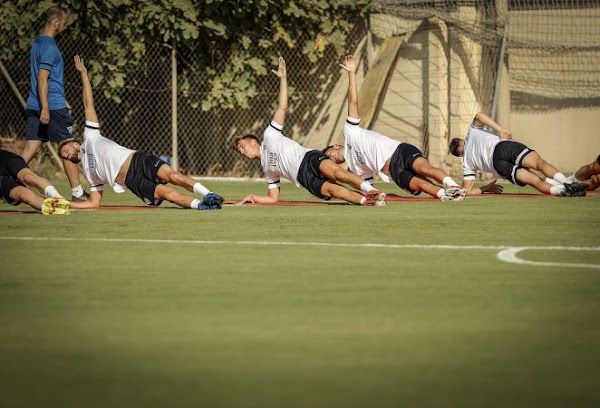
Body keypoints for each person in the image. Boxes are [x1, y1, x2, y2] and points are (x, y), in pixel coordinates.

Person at [59, 55, 224, 210]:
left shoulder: (90, 137)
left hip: (138, 160)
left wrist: (83, 74)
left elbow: (88, 104)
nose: (65, 155)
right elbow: (94, 203)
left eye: (65, 150)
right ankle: (202, 206)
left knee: (173, 176)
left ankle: (209, 194)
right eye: (63, 156)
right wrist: (65, 204)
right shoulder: (89, 174)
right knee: (167, 194)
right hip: (132, 181)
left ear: (75, 143)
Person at [232, 57, 386, 206]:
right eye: (239, 150)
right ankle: (369, 202)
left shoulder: (269, 134)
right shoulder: (267, 169)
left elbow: (282, 106)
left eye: (241, 145)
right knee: (334, 190)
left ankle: (372, 191)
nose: (241, 150)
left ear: (253, 141)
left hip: (308, 158)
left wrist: (283, 78)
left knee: (338, 174)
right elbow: (273, 199)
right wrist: (252, 196)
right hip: (304, 178)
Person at [323, 55, 468, 202]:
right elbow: (369, 187)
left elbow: (353, 102)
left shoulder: (350, 132)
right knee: (421, 185)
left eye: (329, 153)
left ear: (335, 145)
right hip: (392, 171)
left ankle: (452, 186)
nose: (331, 157)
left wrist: (351, 73)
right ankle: (446, 196)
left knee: (425, 169)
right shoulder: (354, 169)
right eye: (330, 160)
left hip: (399, 151)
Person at [21, 6, 88, 202]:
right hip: (49, 105)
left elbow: (46, 80)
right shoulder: (50, 47)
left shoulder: (37, 43)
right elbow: (42, 78)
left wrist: (58, 97)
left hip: (36, 102)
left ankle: (4, 180)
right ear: (55, 22)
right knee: (68, 145)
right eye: (65, 23)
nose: (65, 27)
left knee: (30, 149)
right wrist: (47, 107)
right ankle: (77, 194)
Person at [448, 112, 588, 196]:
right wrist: (501, 130)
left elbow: (467, 192)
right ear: (462, 140)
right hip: (502, 147)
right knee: (539, 163)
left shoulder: (466, 162)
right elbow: (479, 115)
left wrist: (486, 188)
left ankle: (561, 192)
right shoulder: (471, 132)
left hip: (497, 166)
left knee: (535, 181)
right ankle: (568, 183)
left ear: (459, 155)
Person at [1, 149, 70, 214]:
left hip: (3, 158)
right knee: (23, 195)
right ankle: (53, 209)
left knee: (28, 177)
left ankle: (58, 198)